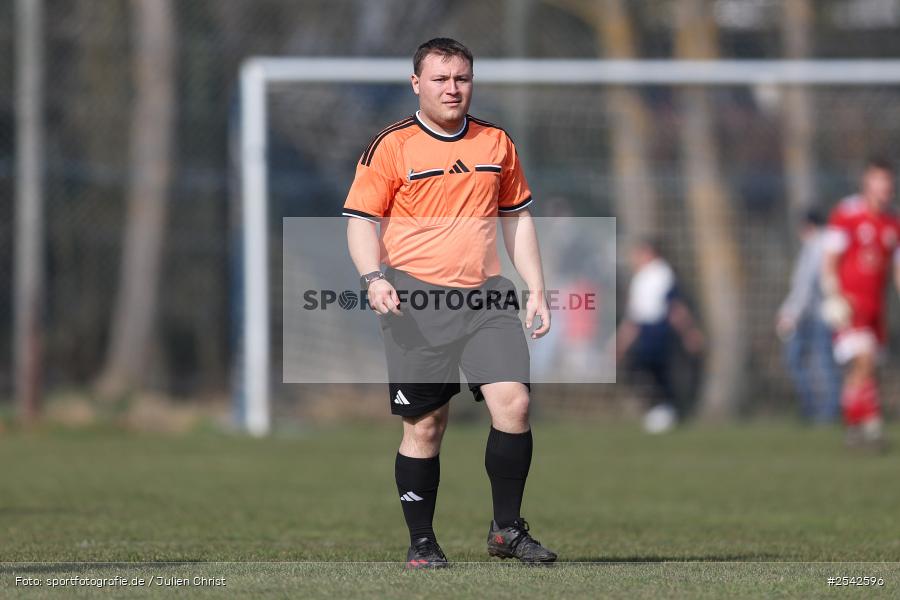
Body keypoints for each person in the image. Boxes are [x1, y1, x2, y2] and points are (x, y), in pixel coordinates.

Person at [342, 38, 556, 568]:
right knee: (427, 425)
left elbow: (517, 218)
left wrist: (535, 286)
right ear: (417, 84)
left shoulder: (496, 142)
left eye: (461, 78)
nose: (452, 88)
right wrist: (373, 278)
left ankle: (506, 530)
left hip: (487, 298)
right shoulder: (390, 146)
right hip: (414, 299)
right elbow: (360, 222)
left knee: (516, 404)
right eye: (440, 79)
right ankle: (422, 543)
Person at [821, 158, 900, 449]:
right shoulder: (847, 214)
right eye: (879, 181)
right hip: (850, 305)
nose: (885, 188)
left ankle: (853, 425)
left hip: (876, 308)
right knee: (864, 360)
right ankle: (871, 423)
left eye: (889, 182)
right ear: (867, 183)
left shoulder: (893, 222)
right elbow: (829, 259)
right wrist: (833, 294)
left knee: (866, 369)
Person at [615, 239, 704, 433]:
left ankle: (666, 409)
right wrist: (621, 341)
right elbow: (634, 315)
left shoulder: (663, 274)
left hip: (659, 331)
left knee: (657, 371)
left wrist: (689, 332)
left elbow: (675, 307)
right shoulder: (641, 277)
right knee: (642, 370)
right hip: (646, 331)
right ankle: (662, 409)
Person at [776, 210, 842, 423]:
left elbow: (805, 287)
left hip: (815, 317)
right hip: (816, 315)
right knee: (819, 363)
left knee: (818, 363)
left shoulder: (817, 248)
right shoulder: (819, 246)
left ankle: (823, 410)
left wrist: (790, 314)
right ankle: (820, 409)